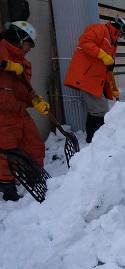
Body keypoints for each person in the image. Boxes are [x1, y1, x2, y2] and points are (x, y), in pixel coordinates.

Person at [64, 17, 125, 143]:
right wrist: (102, 55)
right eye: (124, 34)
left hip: (96, 80)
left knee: (98, 109)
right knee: (99, 109)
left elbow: (108, 70)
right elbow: (85, 42)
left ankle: (96, 139)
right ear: (121, 28)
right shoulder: (99, 29)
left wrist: (113, 89)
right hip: (87, 77)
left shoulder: (113, 43)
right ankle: (94, 140)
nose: (122, 37)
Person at [0, 21, 50, 201]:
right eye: (29, 44)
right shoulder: (2, 50)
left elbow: (24, 91)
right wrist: (6, 65)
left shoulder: (24, 63)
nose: (30, 49)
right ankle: (7, 186)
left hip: (18, 111)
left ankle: (35, 177)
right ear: (20, 39)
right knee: (5, 152)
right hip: (2, 114)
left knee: (34, 144)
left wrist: (35, 101)